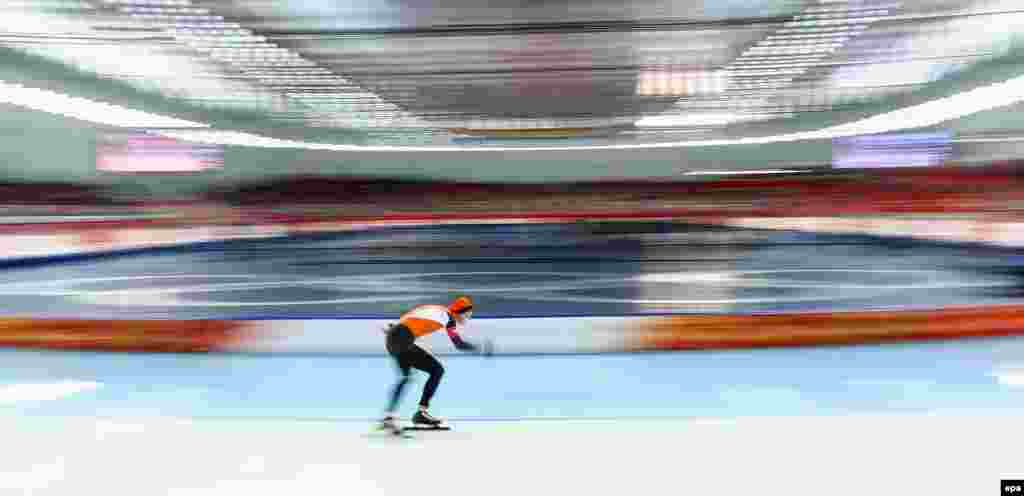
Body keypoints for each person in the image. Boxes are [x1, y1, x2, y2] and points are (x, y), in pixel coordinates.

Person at [379, 295, 481, 434]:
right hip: (401, 338)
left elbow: (415, 314)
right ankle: (420, 413)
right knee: (436, 370)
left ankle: (388, 417)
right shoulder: (449, 318)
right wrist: (479, 348)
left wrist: (395, 328)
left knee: (407, 377)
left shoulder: (439, 309)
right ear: (459, 311)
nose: (467, 318)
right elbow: (459, 344)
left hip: (395, 337)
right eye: (467, 314)